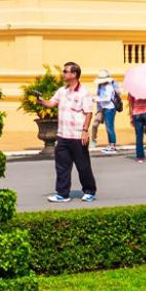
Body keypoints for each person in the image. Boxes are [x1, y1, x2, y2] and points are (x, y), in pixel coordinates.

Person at [45, 62, 98, 203]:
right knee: (62, 167)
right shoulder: (62, 91)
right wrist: (40, 101)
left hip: (77, 136)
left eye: (65, 71)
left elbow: (88, 113)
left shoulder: (84, 93)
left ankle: (89, 191)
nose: (63, 74)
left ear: (74, 74)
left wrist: (85, 131)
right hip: (63, 136)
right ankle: (63, 194)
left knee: (83, 166)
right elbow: (51, 103)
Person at [93, 69, 122, 154]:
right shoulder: (102, 86)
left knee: (110, 127)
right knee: (108, 127)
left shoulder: (109, 87)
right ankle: (110, 144)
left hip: (110, 108)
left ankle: (112, 146)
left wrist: (97, 99)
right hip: (105, 108)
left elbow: (108, 98)